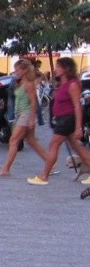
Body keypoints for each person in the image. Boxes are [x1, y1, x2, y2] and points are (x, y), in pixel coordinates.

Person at [28, 57, 90, 186]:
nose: (56, 70)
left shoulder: (73, 84)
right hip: (63, 119)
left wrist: (78, 127)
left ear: (66, 69)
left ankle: (44, 176)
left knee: (53, 145)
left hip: (67, 119)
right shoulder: (63, 84)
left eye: (58, 67)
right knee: (78, 148)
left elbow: (77, 106)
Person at [0, 60, 48, 177]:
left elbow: (33, 102)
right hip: (20, 113)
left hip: (26, 114)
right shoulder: (19, 83)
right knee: (31, 141)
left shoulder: (29, 84)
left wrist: (32, 119)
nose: (16, 72)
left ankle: (6, 169)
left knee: (14, 140)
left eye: (18, 70)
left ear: (25, 70)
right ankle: (50, 162)